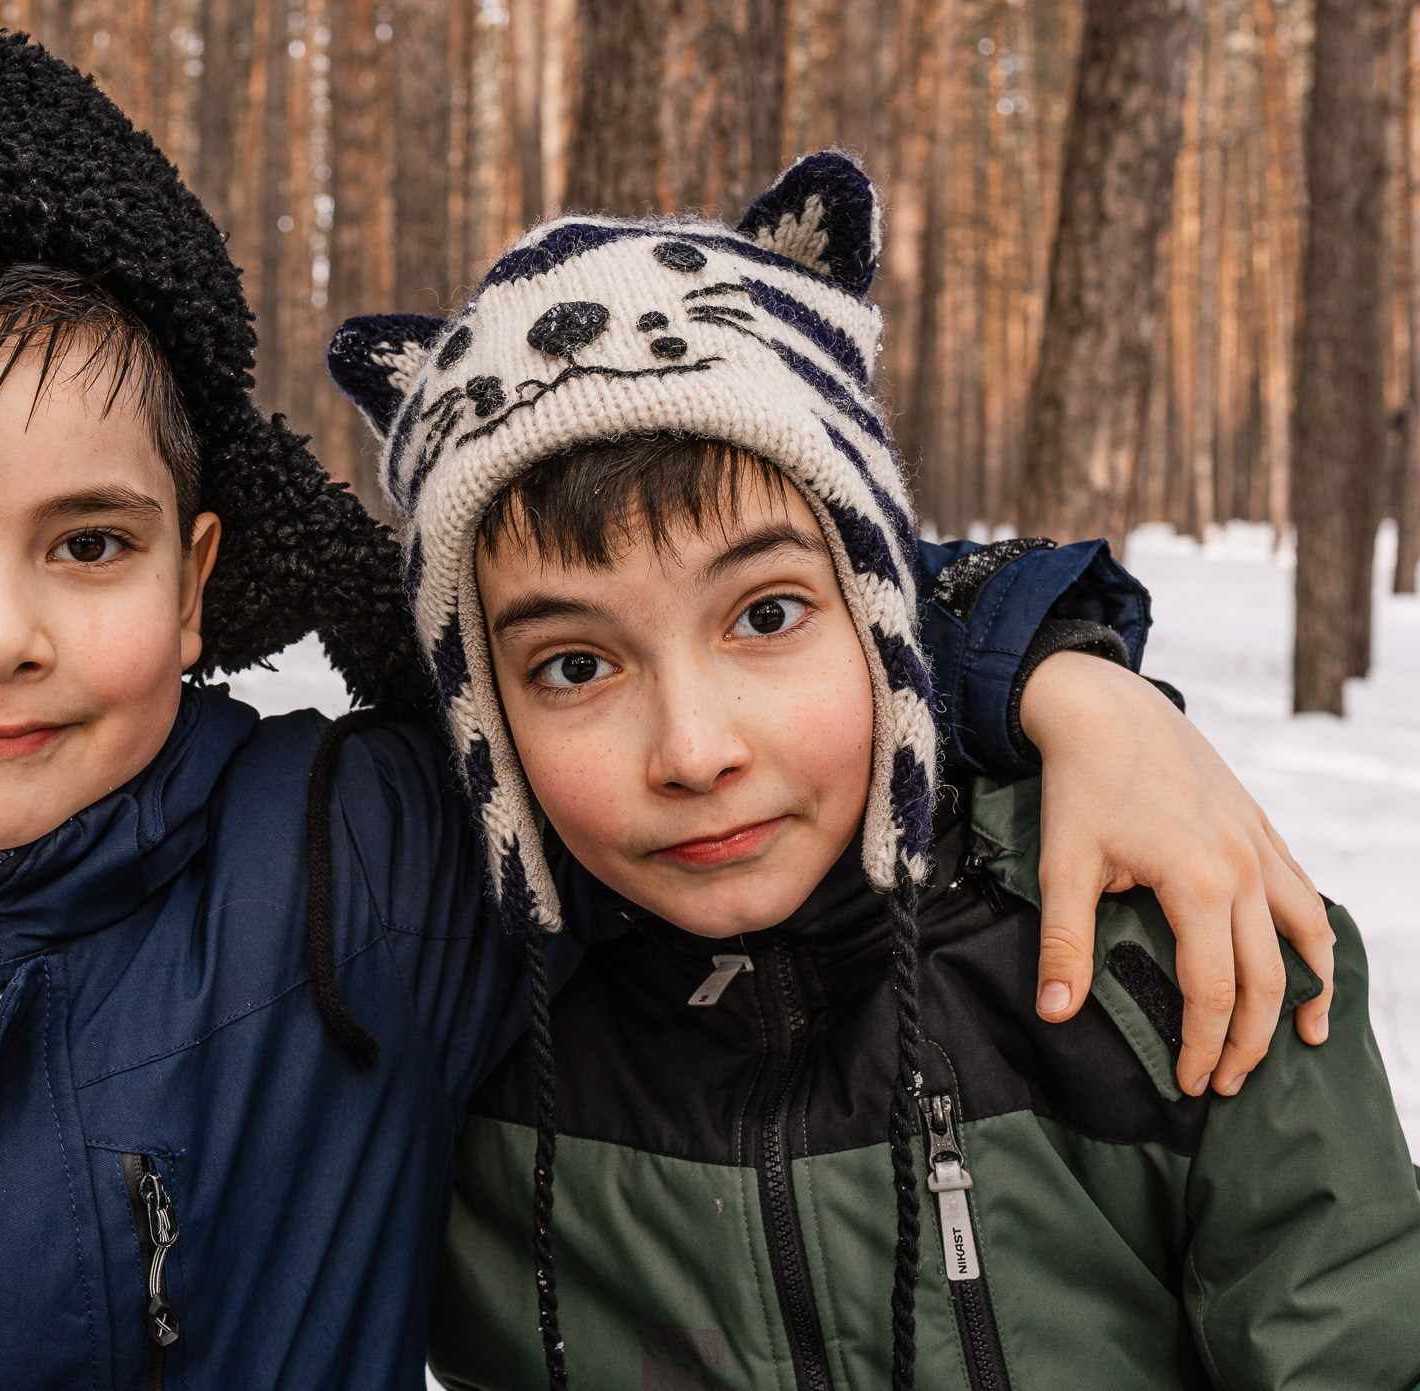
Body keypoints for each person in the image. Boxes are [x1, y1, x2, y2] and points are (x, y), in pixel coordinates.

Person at [0, 28, 1332, 1388]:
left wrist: (1072, 684)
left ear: (206, 575)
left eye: (87, 543)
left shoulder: (371, 857)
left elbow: (743, 642)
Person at [326, 151, 1420, 1391]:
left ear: (883, 618)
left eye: (765, 616)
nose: (693, 750)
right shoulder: (460, 1027)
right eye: (573, 666)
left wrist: (1069, 674)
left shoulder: (1170, 945)